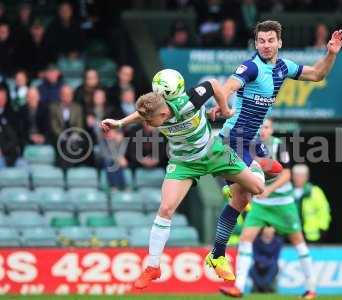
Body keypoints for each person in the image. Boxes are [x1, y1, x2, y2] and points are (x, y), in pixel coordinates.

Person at [207, 21, 342, 296]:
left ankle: (218, 251)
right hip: (234, 140)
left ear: (279, 42)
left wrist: (331, 53)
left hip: (252, 143)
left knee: (247, 194)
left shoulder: (284, 68)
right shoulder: (251, 67)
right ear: (256, 44)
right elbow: (228, 86)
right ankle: (232, 182)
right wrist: (221, 104)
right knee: (255, 188)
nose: (266, 45)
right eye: (261, 41)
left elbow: (317, 74)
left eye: (270, 40)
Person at [101, 73, 271, 290]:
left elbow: (213, 84)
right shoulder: (155, 108)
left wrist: (225, 109)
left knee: (257, 188)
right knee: (165, 208)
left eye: (151, 122)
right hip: (183, 163)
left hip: (213, 152)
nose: (148, 124)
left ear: (163, 113)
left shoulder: (189, 103)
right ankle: (153, 266)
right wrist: (120, 122)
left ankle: (255, 165)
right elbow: (144, 112)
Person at [220, 119, 316, 299]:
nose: (263, 130)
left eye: (267, 127)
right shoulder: (248, 147)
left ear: (272, 130)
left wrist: (268, 189)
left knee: (298, 242)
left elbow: (287, 174)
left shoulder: (279, 146)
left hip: (283, 204)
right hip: (262, 205)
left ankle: (311, 288)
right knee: (245, 239)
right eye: (260, 127)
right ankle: (238, 287)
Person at [292, 164, 331, 242]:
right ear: (292, 176)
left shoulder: (315, 191)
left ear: (307, 177)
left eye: (302, 175)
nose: (298, 178)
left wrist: (322, 228)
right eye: (296, 175)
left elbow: (324, 210)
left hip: (311, 235)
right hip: (292, 233)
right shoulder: (287, 191)